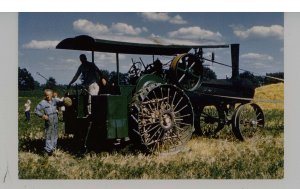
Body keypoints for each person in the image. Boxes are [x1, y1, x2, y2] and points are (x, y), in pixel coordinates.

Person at [34, 89, 63, 156]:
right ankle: (47, 151)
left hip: (55, 119)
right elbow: (36, 110)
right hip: (49, 120)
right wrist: (43, 115)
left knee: (55, 134)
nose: (48, 96)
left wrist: (65, 100)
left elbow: (61, 102)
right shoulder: (43, 102)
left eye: (49, 95)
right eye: (46, 95)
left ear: (52, 95)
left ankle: (53, 149)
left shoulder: (55, 100)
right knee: (49, 135)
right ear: (45, 95)